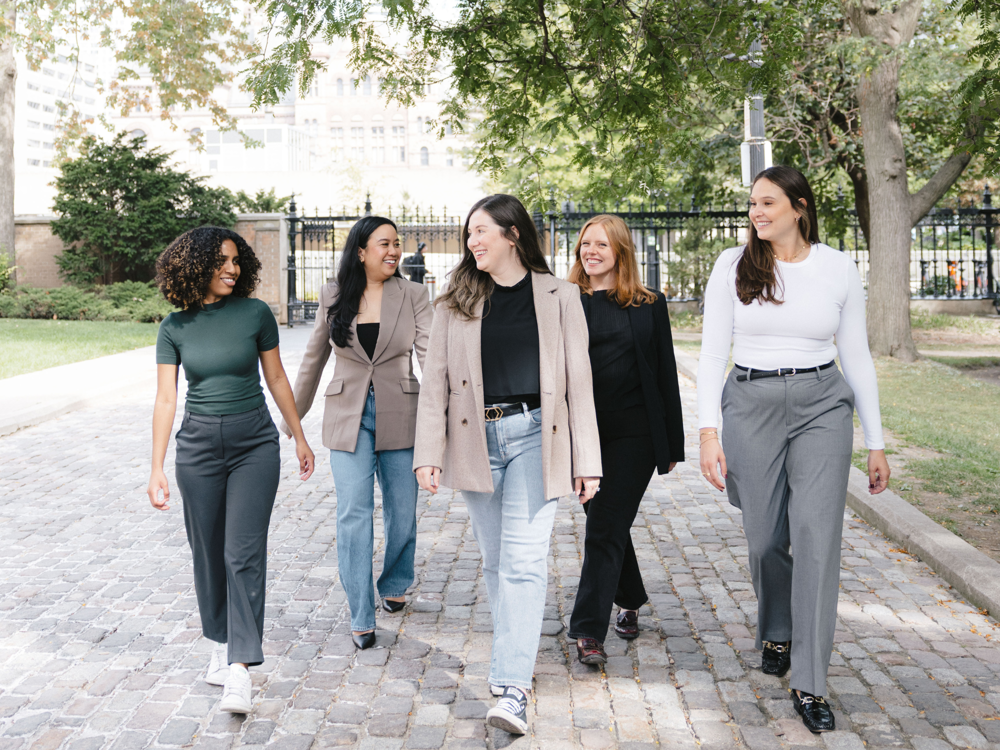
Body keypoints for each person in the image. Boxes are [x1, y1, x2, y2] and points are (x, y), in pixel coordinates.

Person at [698, 165, 890, 734]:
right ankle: (776, 626)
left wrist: (875, 443)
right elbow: (711, 356)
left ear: (799, 207)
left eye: (768, 203)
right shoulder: (732, 266)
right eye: (753, 204)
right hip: (750, 403)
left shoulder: (836, 268)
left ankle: (809, 679)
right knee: (763, 537)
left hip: (823, 405)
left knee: (815, 535)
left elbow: (857, 356)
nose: (757, 213)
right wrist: (708, 432)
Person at [413, 194, 602, 736]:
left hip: (535, 437)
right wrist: (428, 453)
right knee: (496, 563)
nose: (472, 241)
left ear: (513, 234)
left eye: (481, 231)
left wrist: (587, 460)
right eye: (468, 233)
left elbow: (580, 384)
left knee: (522, 562)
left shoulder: (560, 295)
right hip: (475, 440)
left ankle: (512, 687)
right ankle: (512, 663)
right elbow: (436, 389)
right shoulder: (452, 303)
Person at [147, 226, 315, 715]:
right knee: (208, 554)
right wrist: (155, 467)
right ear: (195, 264)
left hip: (253, 445)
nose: (232, 268)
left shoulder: (256, 313)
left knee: (242, 553)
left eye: (237, 260)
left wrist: (298, 435)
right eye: (222, 260)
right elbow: (164, 398)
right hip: (197, 449)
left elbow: (277, 376)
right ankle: (218, 646)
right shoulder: (174, 327)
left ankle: (240, 668)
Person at [282, 216, 433, 650]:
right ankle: (360, 613)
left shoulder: (414, 294)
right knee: (354, 513)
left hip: (401, 411)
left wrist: (447, 420)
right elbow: (312, 360)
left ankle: (395, 581)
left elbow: (431, 357)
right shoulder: (333, 294)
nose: (393, 251)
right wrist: (294, 427)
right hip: (347, 416)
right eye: (384, 243)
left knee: (403, 511)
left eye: (397, 243)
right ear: (361, 251)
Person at [565, 214, 685, 664]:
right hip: (583, 434)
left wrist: (671, 443)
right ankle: (630, 597)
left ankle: (588, 631)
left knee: (603, 526)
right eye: (585, 244)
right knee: (608, 523)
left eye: (600, 244)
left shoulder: (648, 303)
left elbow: (665, 372)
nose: (590, 252)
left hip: (633, 432)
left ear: (620, 251)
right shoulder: (566, 300)